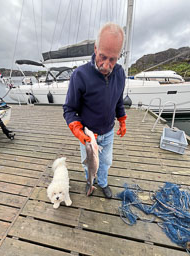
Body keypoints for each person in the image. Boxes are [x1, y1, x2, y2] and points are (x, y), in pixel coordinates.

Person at [63, 22, 127, 199]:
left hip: (109, 130)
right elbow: (69, 109)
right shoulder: (80, 75)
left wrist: (121, 119)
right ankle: (89, 182)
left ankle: (103, 183)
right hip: (89, 135)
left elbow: (118, 100)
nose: (106, 65)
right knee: (88, 164)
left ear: (119, 56)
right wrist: (76, 128)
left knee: (106, 162)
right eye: (102, 57)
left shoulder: (120, 74)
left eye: (112, 59)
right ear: (95, 48)